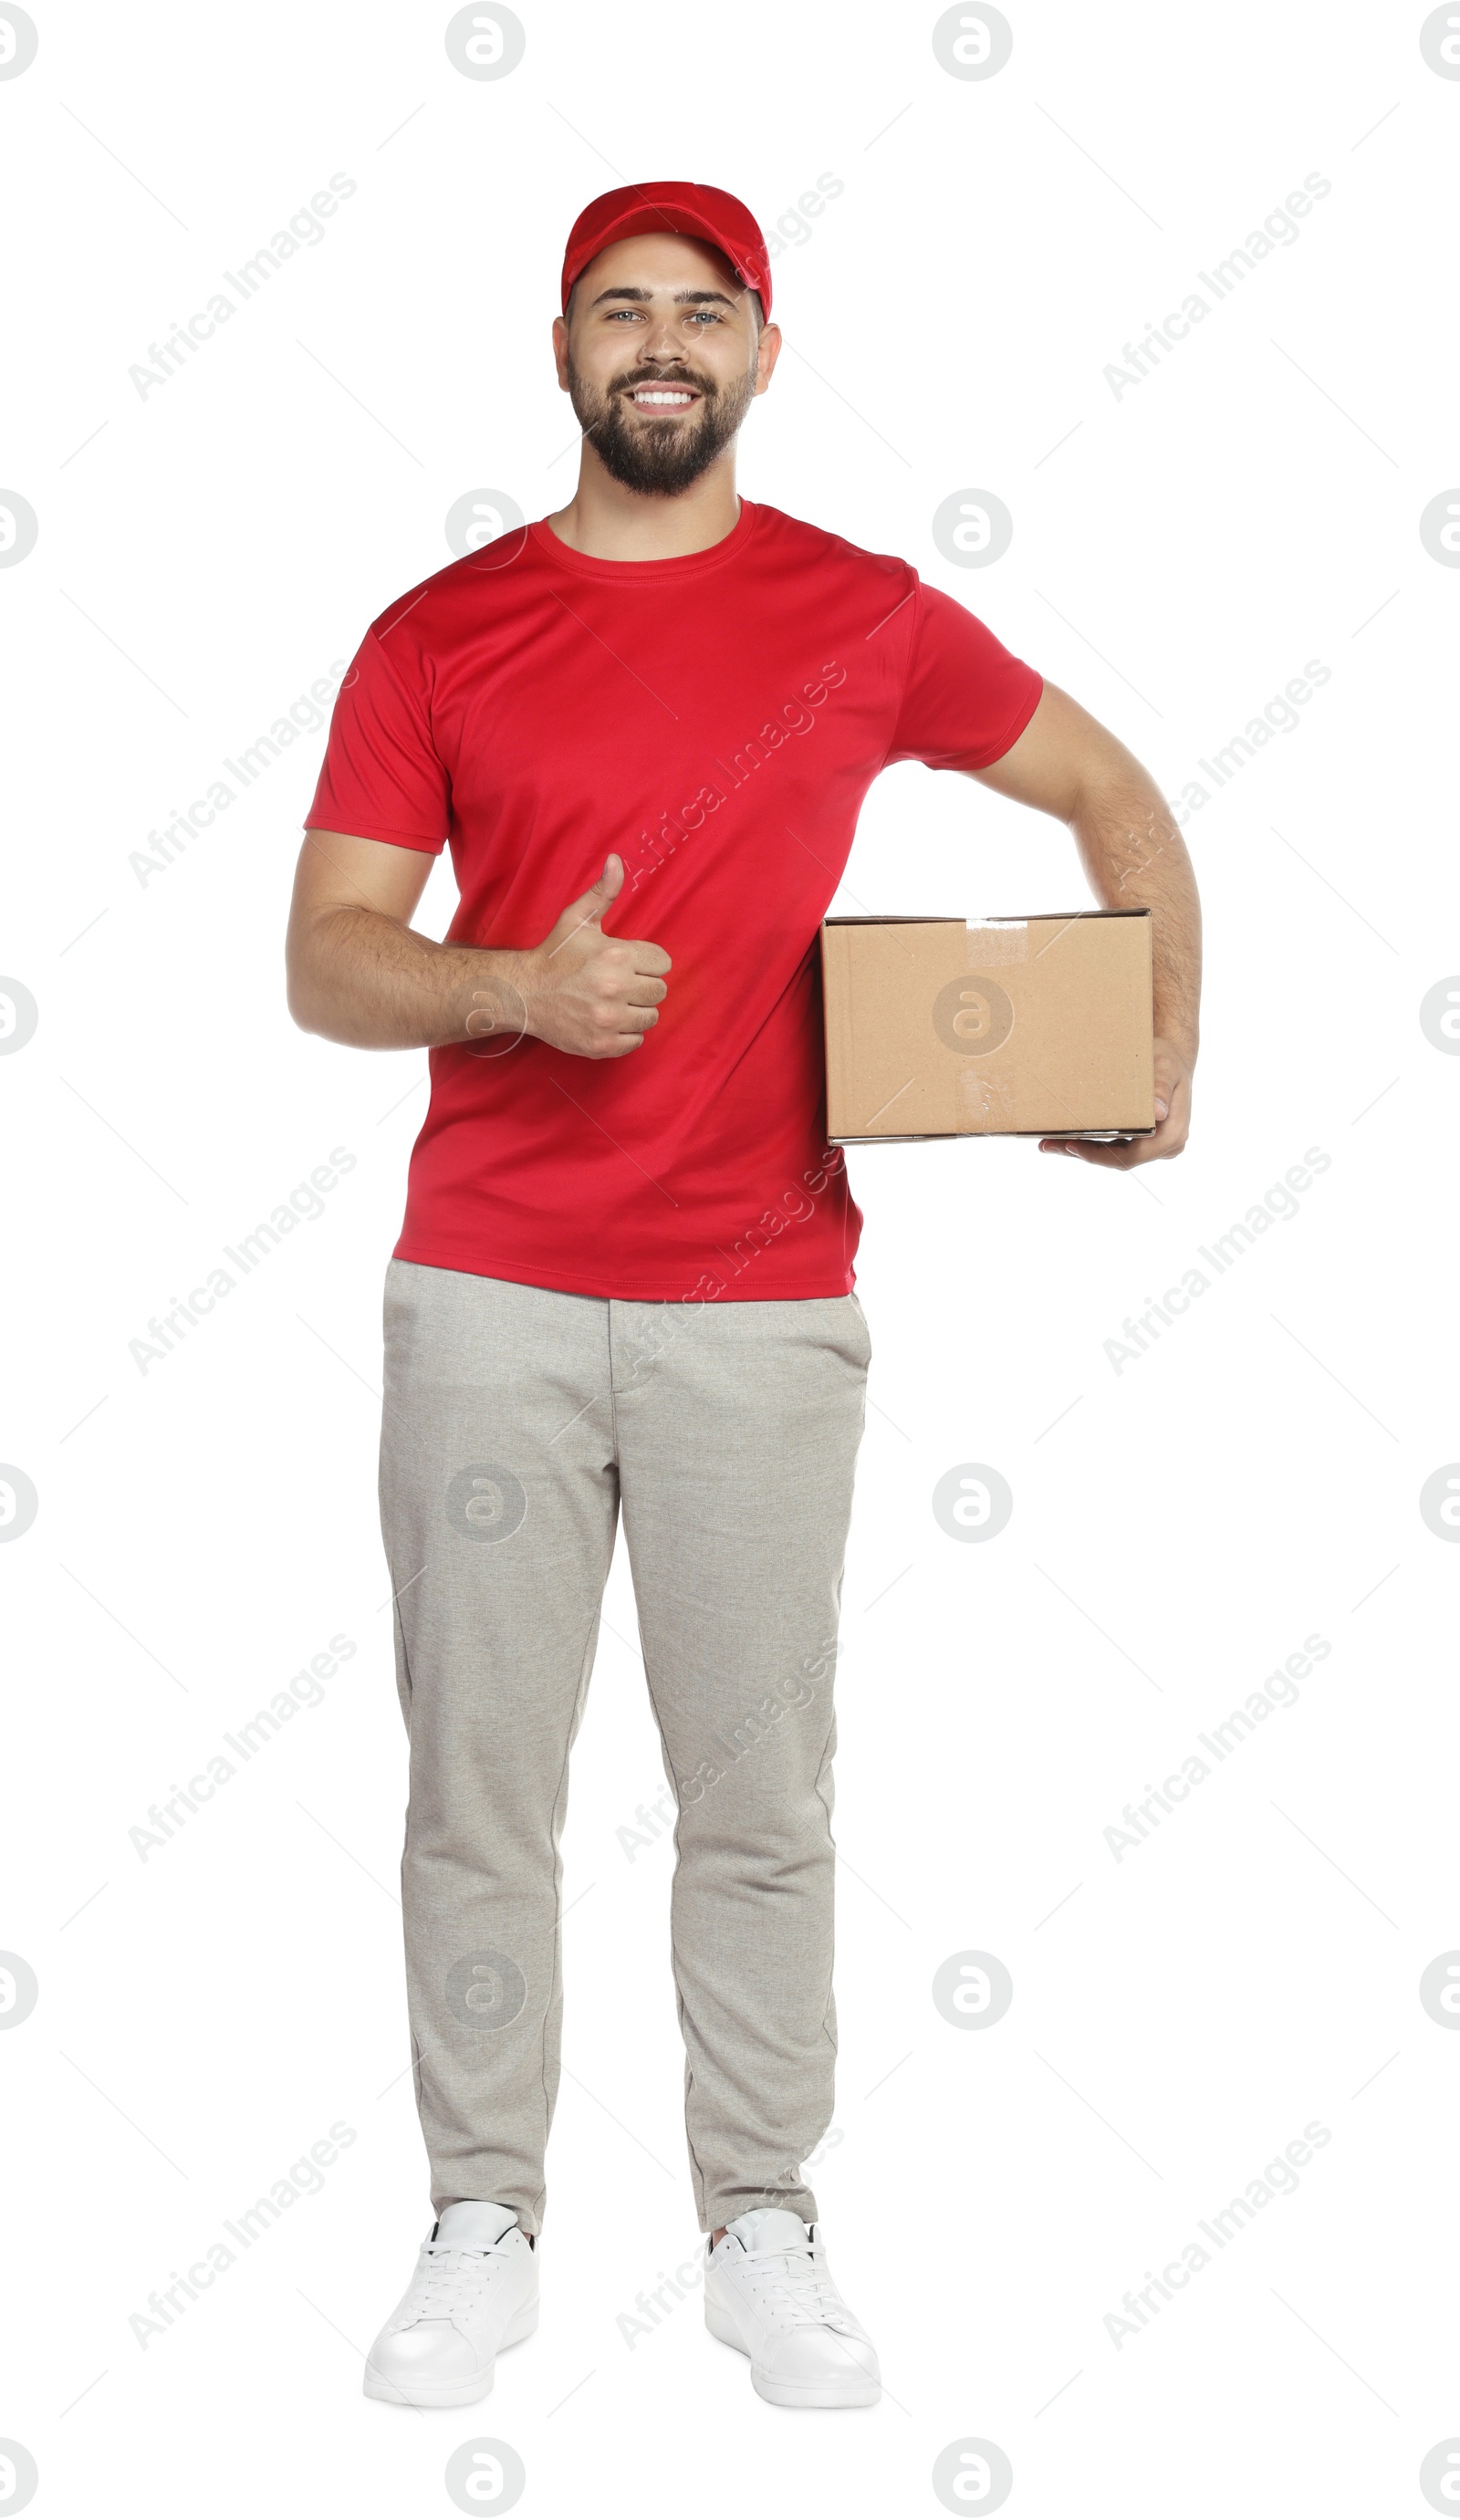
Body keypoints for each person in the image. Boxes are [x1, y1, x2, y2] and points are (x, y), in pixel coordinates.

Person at [286, 179, 1201, 2413]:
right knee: (477, 1788)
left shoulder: (862, 616)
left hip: (761, 1306)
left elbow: (1106, 790)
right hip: (486, 1294)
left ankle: (757, 2214)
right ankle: (479, 2209)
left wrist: (1151, 1045)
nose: (661, 343)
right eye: (622, 310)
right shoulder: (438, 634)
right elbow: (327, 959)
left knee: (759, 1794)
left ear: (763, 355)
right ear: (565, 352)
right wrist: (509, 983)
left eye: (703, 311)